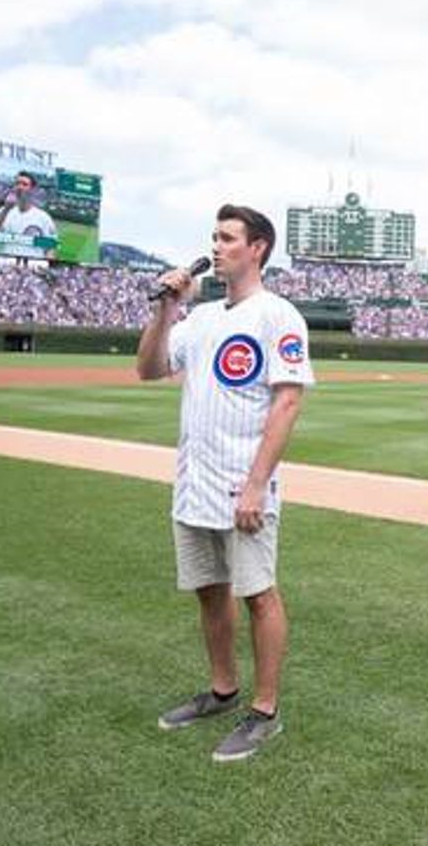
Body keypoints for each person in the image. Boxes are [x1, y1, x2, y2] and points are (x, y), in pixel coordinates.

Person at [136, 204, 314, 762]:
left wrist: (258, 483)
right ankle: (221, 690)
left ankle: (264, 711)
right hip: (194, 485)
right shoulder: (202, 318)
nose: (216, 246)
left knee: (259, 594)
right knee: (210, 593)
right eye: (214, 237)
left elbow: (288, 401)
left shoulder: (278, 314)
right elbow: (148, 369)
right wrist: (167, 309)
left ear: (257, 247)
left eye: (227, 237)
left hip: (245, 485)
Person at [0, 171, 57, 258]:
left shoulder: (44, 218)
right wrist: (6, 209)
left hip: (32, 265)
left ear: (33, 189)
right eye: (17, 184)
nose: (20, 187)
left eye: (24, 184)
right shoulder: (3, 211)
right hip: (7, 262)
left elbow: (50, 249)